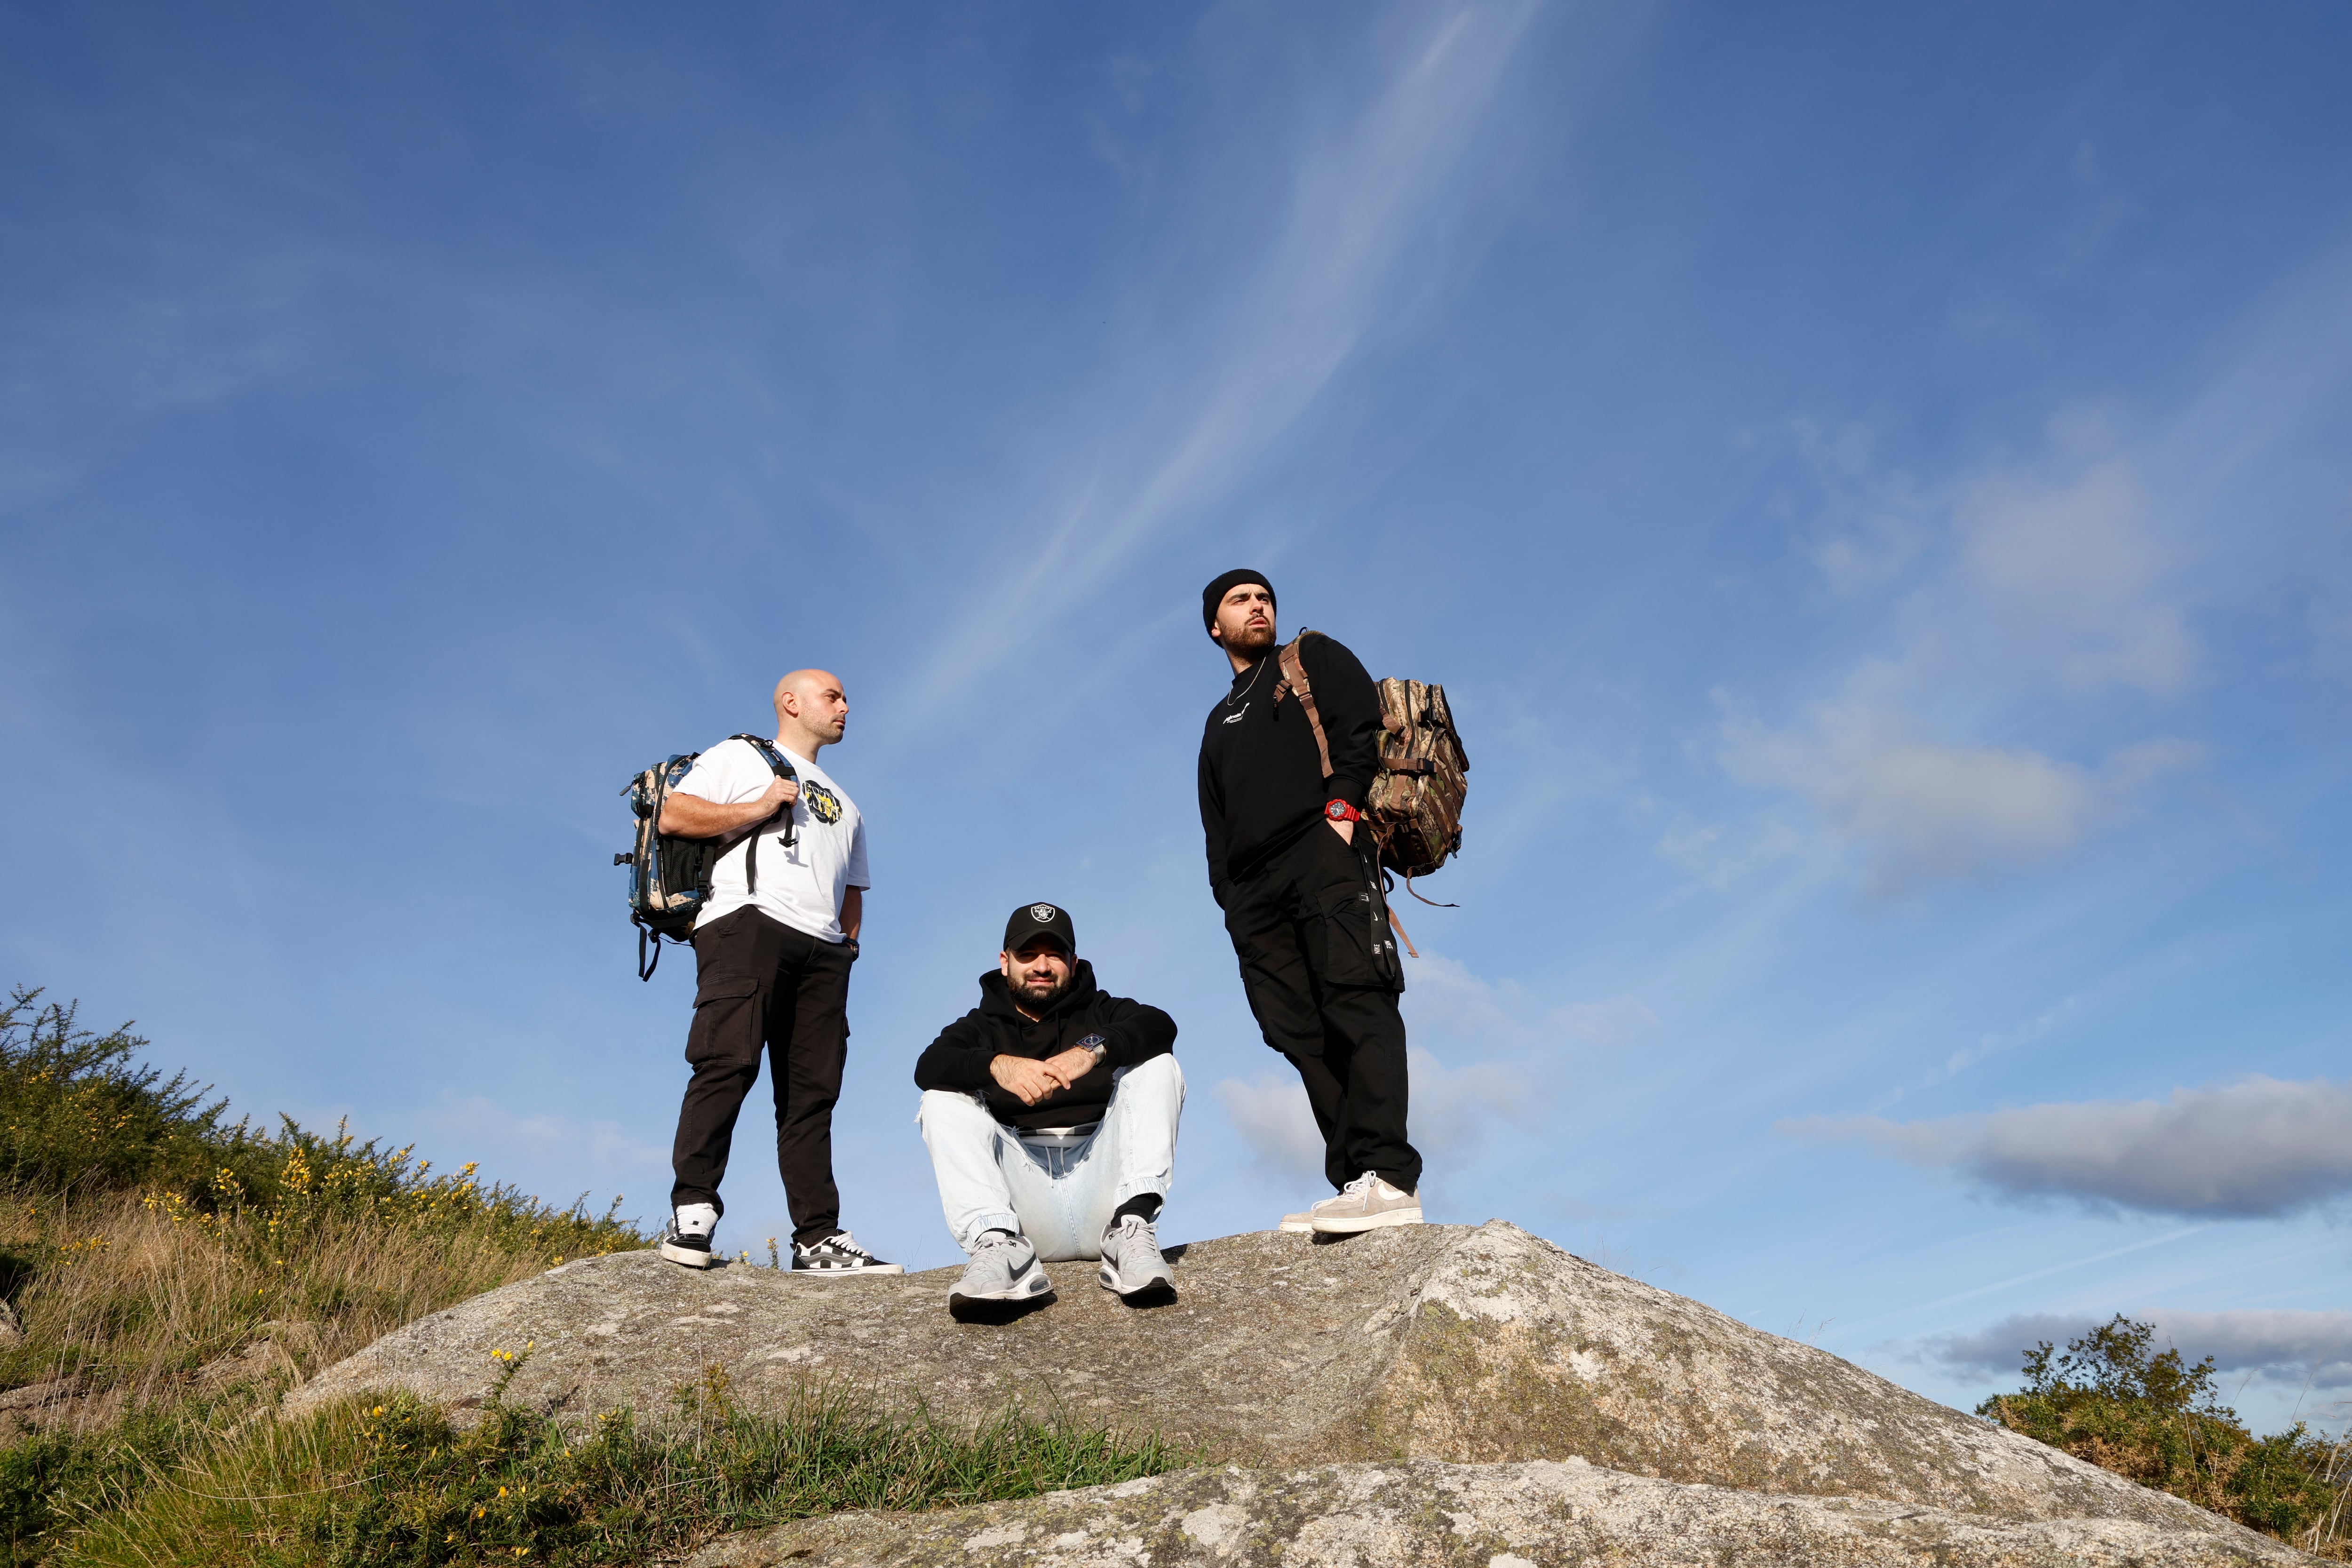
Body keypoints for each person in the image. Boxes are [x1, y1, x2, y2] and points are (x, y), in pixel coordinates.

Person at [1196, 570, 1425, 1235]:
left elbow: (1362, 727)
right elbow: (1215, 820)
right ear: (1216, 626)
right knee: (1295, 1029)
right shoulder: (1216, 722)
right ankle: (1354, 1180)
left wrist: (1342, 810)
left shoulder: (1309, 658)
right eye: (1239, 601)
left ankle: (1389, 1174)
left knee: (1359, 998)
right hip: (1252, 891)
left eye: (1263, 596)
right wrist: (1228, 895)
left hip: (1323, 850)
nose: (1257, 606)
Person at [654, 669, 900, 1276]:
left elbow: (854, 888)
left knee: (812, 1095)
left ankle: (817, 1236)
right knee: (727, 1060)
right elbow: (672, 814)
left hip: (824, 951)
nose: (846, 706)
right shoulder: (744, 756)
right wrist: (761, 804)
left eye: (845, 697)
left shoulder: (848, 806)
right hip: (747, 921)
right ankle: (693, 1209)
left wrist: (848, 943)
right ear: (791, 702)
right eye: (833, 695)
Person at [914, 902, 1183, 1314]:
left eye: (1055, 954)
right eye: (1028, 954)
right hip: (1025, 1205)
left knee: (1160, 1064)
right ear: (1005, 963)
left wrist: (1090, 1050)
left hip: (1103, 1192)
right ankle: (999, 1247)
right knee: (940, 1096)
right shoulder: (980, 1026)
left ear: (1073, 963)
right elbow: (929, 1065)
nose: (1042, 965)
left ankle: (1131, 1229)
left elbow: (1160, 1024)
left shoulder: (1102, 1009)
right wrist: (997, 1065)